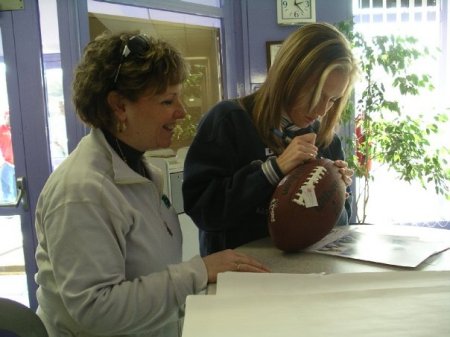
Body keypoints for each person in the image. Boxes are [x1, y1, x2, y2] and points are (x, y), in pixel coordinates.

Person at [34, 31, 269, 337]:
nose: (181, 111)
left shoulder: (138, 170)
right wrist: (199, 271)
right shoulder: (81, 192)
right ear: (119, 106)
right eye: (167, 100)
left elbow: (150, 276)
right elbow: (95, 310)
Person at [182, 22, 359, 256]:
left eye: (333, 100)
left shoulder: (327, 142)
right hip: (241, 280)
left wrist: (335, 192)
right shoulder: (229, 121)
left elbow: (340, 229)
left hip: (309, 278)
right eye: (316, 94)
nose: (321, 110)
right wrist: (273, 170)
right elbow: (204, 211)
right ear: (289, 75)